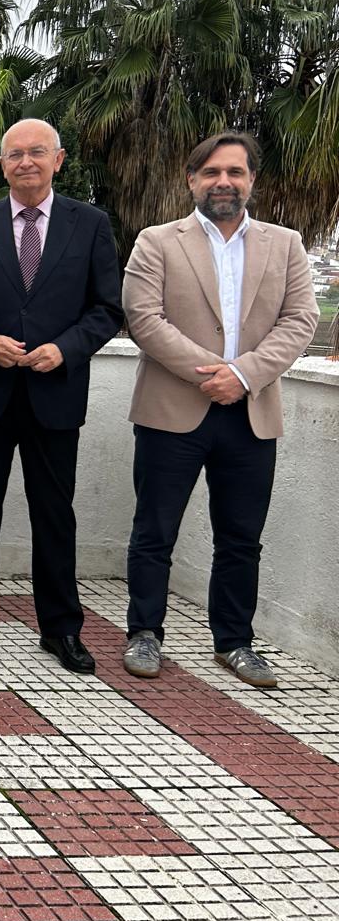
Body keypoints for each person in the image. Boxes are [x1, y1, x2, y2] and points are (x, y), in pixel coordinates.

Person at [121, 131, 318, 688]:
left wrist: (243, 376)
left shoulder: (285, 244)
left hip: (251, 413)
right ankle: (144, 633)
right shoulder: (157, 241)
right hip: (171, 412)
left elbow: (300, 321)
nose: (223, 182)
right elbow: (144, 318)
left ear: (252, 179)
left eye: (235, 172)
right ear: (192, 180)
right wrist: (213, 373)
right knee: (154, 531)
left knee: (240, 537)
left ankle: (234, 642)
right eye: (211, 173)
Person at [0, 118, 121, 673]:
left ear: (58, 160)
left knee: (54, 515)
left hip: (55, 393)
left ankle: (61, 629)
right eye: (15, 154)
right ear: (2, 165)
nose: (26, 162)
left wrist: (66, 349)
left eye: (37, 152)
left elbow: (107, 310)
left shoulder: (90, 224)